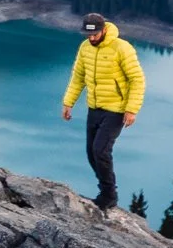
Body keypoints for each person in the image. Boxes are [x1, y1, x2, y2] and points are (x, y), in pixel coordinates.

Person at [61, 12, 144, 211]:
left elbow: (137, 80)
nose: (91, 38)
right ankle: (105, 190)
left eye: (95, 34)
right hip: (94, 107)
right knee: (91, 152)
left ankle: (109, 195)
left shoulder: (122, 48)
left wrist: (131, 109)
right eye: (88, 34)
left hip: (116, 109)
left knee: (101, 150)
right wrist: (68, 102)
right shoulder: (85, 48)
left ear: (104, 29)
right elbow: (78, 77)